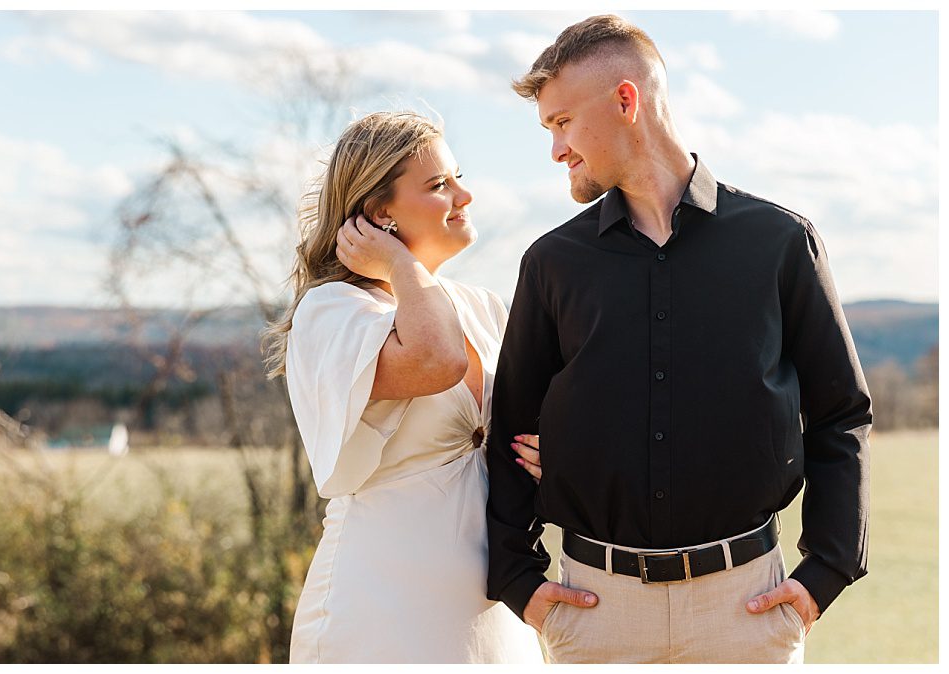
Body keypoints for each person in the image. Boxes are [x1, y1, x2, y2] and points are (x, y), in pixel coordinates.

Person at [486, 15, 871, 664]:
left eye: (562, 123)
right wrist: (518, 579)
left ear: (626, 101)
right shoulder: (552, 264)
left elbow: (841, 415)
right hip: (595, 618)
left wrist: (826, 570)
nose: (556, 150)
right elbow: (509, 432)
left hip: (748, 614)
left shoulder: (779, 243)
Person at [263, 111, 543, 663]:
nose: (464, 195)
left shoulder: (484, 308)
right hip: (381, 607)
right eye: (439, 185)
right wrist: (397, 262)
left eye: (458, 177)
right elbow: (435, 360)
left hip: (490, 608)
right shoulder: (333, 311)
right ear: (378, 212)